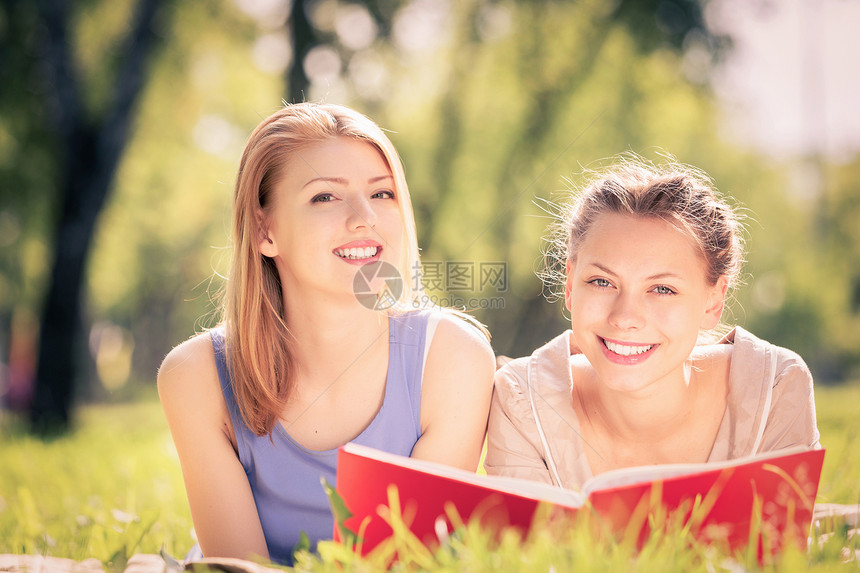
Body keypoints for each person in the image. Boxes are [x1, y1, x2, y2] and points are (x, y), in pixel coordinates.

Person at [157, 103, 495, 564]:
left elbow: (411, 562)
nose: (365, 218)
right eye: (325, 197)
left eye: (382, 194)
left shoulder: (453, 361)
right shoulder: (196, 376)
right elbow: (240, 569)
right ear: (264, 230)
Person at [484, 155, 820, 489]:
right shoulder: (520, 402)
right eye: (602, 281)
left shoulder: (774, 389)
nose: (625, 318)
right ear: (570, 285)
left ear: (713, 301)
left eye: (663, 289)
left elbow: (781, 537)